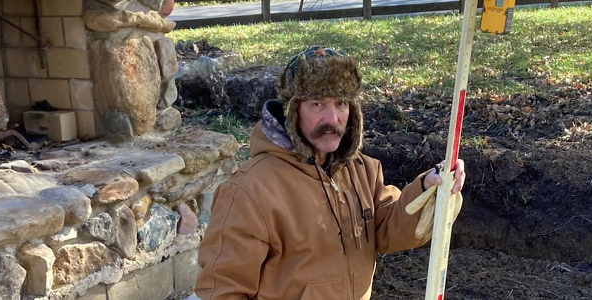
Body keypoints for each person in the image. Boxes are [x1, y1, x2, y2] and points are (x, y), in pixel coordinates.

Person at [193, 46, 467, 300]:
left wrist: (429, 189)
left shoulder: (363, 170)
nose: (332, 119)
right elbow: (222, 290)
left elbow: (388, 230)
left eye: (341, 104)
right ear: (292, 111)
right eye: (317, 104)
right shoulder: (249, 192)